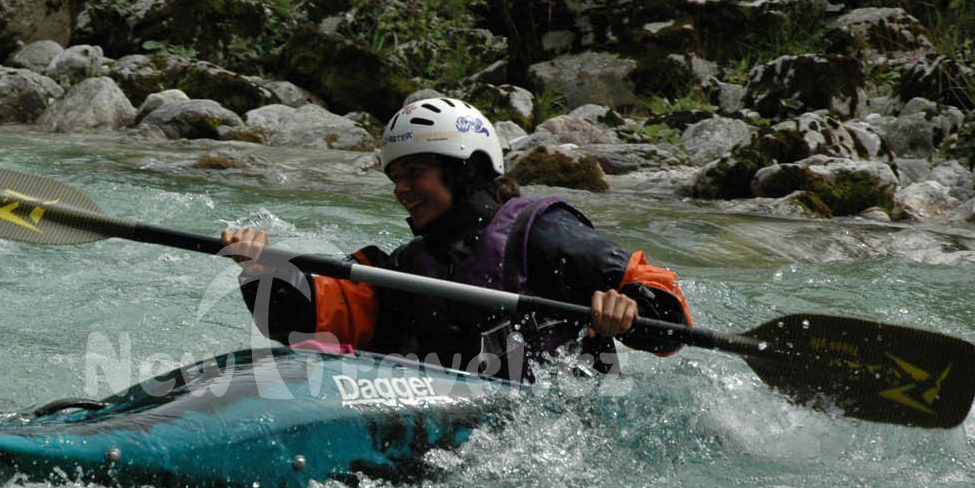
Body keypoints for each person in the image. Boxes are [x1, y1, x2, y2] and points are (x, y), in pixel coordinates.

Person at [220, 96, 691, 382]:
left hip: (559, 428)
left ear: (464, 171)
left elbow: (666, 308)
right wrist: (262, 273)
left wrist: (630, 309)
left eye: (415, 173)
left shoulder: (542, 232)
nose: (401, 190)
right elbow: (318, 320)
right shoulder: (409, 266)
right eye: (396, 178)